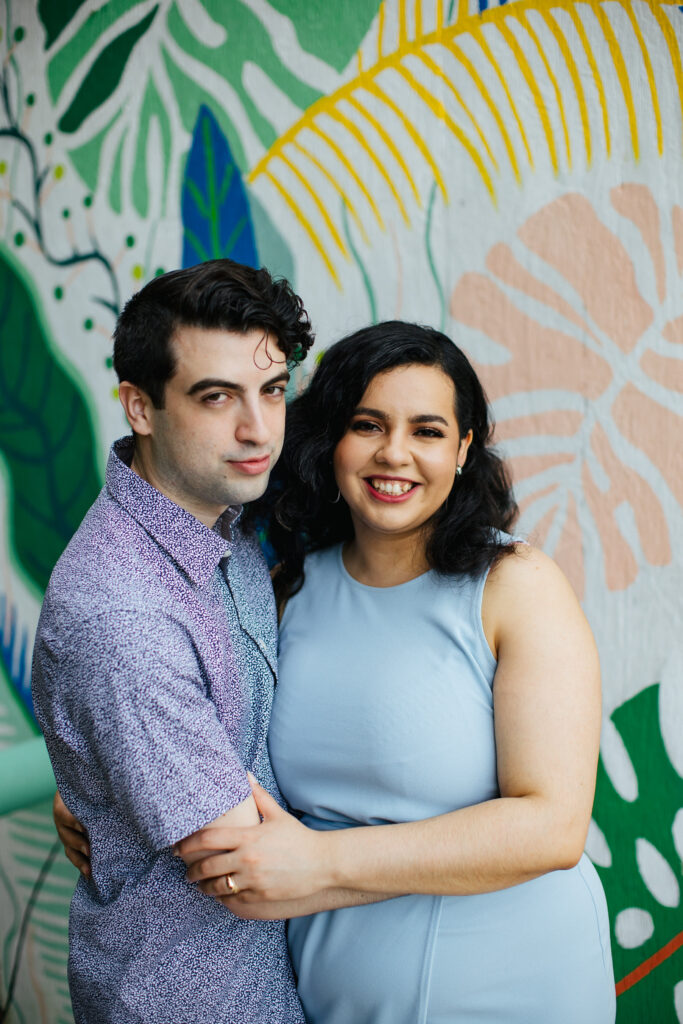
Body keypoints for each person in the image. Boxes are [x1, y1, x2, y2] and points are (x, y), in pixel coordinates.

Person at [56, 321, 616, 1022]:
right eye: (368, 424)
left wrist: (321, 866)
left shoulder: (516, 586)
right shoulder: (283, 585)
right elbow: (185, 713)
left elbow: (552, 827)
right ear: (332, 439)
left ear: (464, 448)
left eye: (428, 431)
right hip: (323, 996)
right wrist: (97, 786)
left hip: (505, 985)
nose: (395, 455)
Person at [32, 259, 316, 1024]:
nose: (258, 429)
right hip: (192, 999)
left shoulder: (227, 516)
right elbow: (242, 864)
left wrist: (97, 785)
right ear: (141, 407)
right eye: (216, 396)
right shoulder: (121, 613)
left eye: (272, 390)